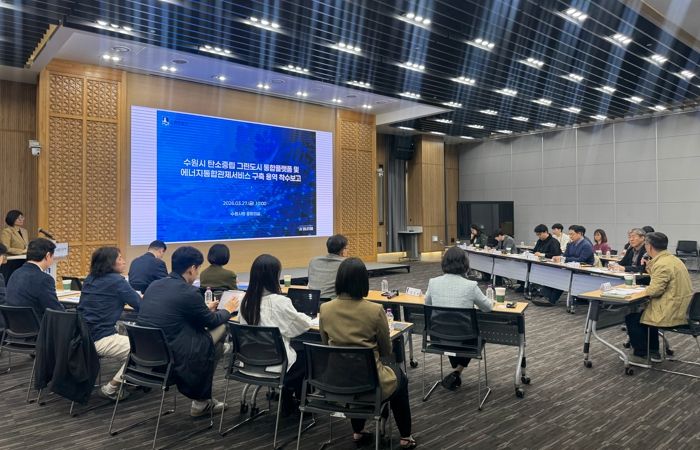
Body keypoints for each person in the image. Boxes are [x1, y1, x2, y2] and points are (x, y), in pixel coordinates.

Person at [319, 258, 416, 449]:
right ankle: (405, 436)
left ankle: (358, 431)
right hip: (370, 382)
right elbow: (386, 350)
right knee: (401, 379)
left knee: (353, 372)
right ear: (363, 281)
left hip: (336, 380)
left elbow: (325, 344)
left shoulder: (325, 308)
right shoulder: (375, 310)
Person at [137, 246, 237, 416]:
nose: (197, 274)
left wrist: (204, 309)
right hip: (175, 356)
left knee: (216, 346)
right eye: (197, 270)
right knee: (222, 328)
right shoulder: (188, 292)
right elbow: (212, 321)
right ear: (192, 269)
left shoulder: (154, 285)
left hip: (147, 355)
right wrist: (228, 309)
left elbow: (175, 312)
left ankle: (203, 396)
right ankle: (201, 402)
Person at [239, 254, 311, 413]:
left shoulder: (244, 301)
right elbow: (301, 326)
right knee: (307, 354)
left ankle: (288, 397)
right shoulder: (280, 302)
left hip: (248, 363)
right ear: (274, 276)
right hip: (275, 366)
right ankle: (299, 401)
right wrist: (309, 317)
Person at [424, 247, 494, 390]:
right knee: (472, 336)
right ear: (465, 264)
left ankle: (456, 371)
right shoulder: (471, 285)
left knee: (452, 330)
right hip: (465, 340)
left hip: (437, 338)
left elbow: (427, 303)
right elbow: (488, 308)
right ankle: (457, 371)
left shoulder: (433, 282)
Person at [77, 247, 141, 401]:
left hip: (81, 336)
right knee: (144, 351)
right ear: (110, 263)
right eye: (120, 258)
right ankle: (111, 389)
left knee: (129, 343)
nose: (124, 261)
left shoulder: (90, 279)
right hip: (101, 338)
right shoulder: (117, 281)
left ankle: (132, 377)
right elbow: (140, 305)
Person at [625, 232, 692, 365]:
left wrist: (640, 291)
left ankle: (641, 354)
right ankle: (653, 351)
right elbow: (662, 279)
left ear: (649, 246)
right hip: (683, 308)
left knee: (633, 318)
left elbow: (654, 291)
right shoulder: (673, 260)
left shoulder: (662, 264)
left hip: (672, 311)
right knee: (645, 315)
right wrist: (649, 265)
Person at [5, 238, 64, 320]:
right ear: (47, 256)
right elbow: (55, 310)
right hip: (38, 325)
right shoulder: (44, 279)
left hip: (13, 325)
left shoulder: (15, 273)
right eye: (53, 256)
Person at [536, 225, 593, 306]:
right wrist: (559, 257)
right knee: (554, 273)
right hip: (570, 268)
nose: (570, 236)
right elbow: (565, 255)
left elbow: (581, 260)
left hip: (582, 271)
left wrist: (564, 259)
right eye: (569, 234)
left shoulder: (586, 245)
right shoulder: (570, 244)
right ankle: (545, 296)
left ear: (580, 234)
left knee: (562, 277)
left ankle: (551, 299)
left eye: (572, 234)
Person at [307, 234, 348, 298]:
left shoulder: (314, 261)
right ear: (343, 250)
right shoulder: (346, 264)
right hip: (332, 302)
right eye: (347, 248)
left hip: (312, 300)